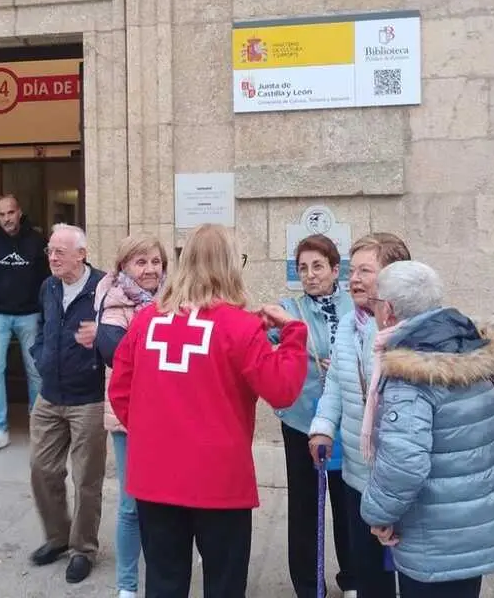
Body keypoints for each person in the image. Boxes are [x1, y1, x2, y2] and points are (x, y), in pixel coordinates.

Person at [108, 223, 309, 598]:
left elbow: (120, 391)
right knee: (224, 584)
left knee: (164, 583)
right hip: (219, 481)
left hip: (155, 477)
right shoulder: (242, 327)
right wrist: (294, 335)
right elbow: (283, 391)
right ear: (231, 265)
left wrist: (155, 435)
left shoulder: (147, 321)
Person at [361, 261, 494, 598]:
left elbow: (404, 465)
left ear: (388, 310)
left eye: (375, 304)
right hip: (472, 527)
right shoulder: (466, 345)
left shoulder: (412, 372)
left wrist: (377, 514)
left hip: (434, 538)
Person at [308, 232, 411, 598]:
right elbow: (334, 385)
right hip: (357, 476)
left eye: (365, 271)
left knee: (405, 573)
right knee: (370, 576)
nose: (354, 279)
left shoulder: (408, 334)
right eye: (353, 271)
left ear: (393, 277)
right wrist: (322, 428)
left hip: (401, 484)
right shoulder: (350, 327)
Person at [268, 235, 355, 598]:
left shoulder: (356, 306)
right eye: (303, 268)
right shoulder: (289, 308)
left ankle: (353, 578)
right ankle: (307, 584)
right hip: (303, 420)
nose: (310, 275)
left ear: (336, 270)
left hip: (348, 420)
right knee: (304, 505)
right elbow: (266, 346)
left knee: (349, 500)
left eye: (318, 266)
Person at [28, 224, 106, 585]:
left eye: (60, 251)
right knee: (42, 469)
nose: (53, 257)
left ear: (82, 254)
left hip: (87, 398)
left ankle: (83, 549)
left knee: (86, 478)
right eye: (50, 251)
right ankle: (58, 537)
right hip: (50, 394)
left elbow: (123, 329)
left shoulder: (103, 287)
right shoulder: (49, 286)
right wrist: (40, 355)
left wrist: (100, 345)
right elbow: (43, 325)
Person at [94, 235, 169, 598]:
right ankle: (127, 585)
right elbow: (114, 352)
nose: (151, 269)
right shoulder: (115, 305)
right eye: (141, 262)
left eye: (156, 261)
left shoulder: (176, 300)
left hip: (171, 418)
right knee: (130, 504)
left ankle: (166, 570)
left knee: (172, 500)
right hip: (129, 419)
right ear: (123, 266)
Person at [0, 194, 49, 452]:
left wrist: (46, 315)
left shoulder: (37, 242)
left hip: (30, 314)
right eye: (2, 214)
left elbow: (47, 280)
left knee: (35, 370)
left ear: (20, 212)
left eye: (11, 213)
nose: (7, 219)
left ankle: (38, 425)